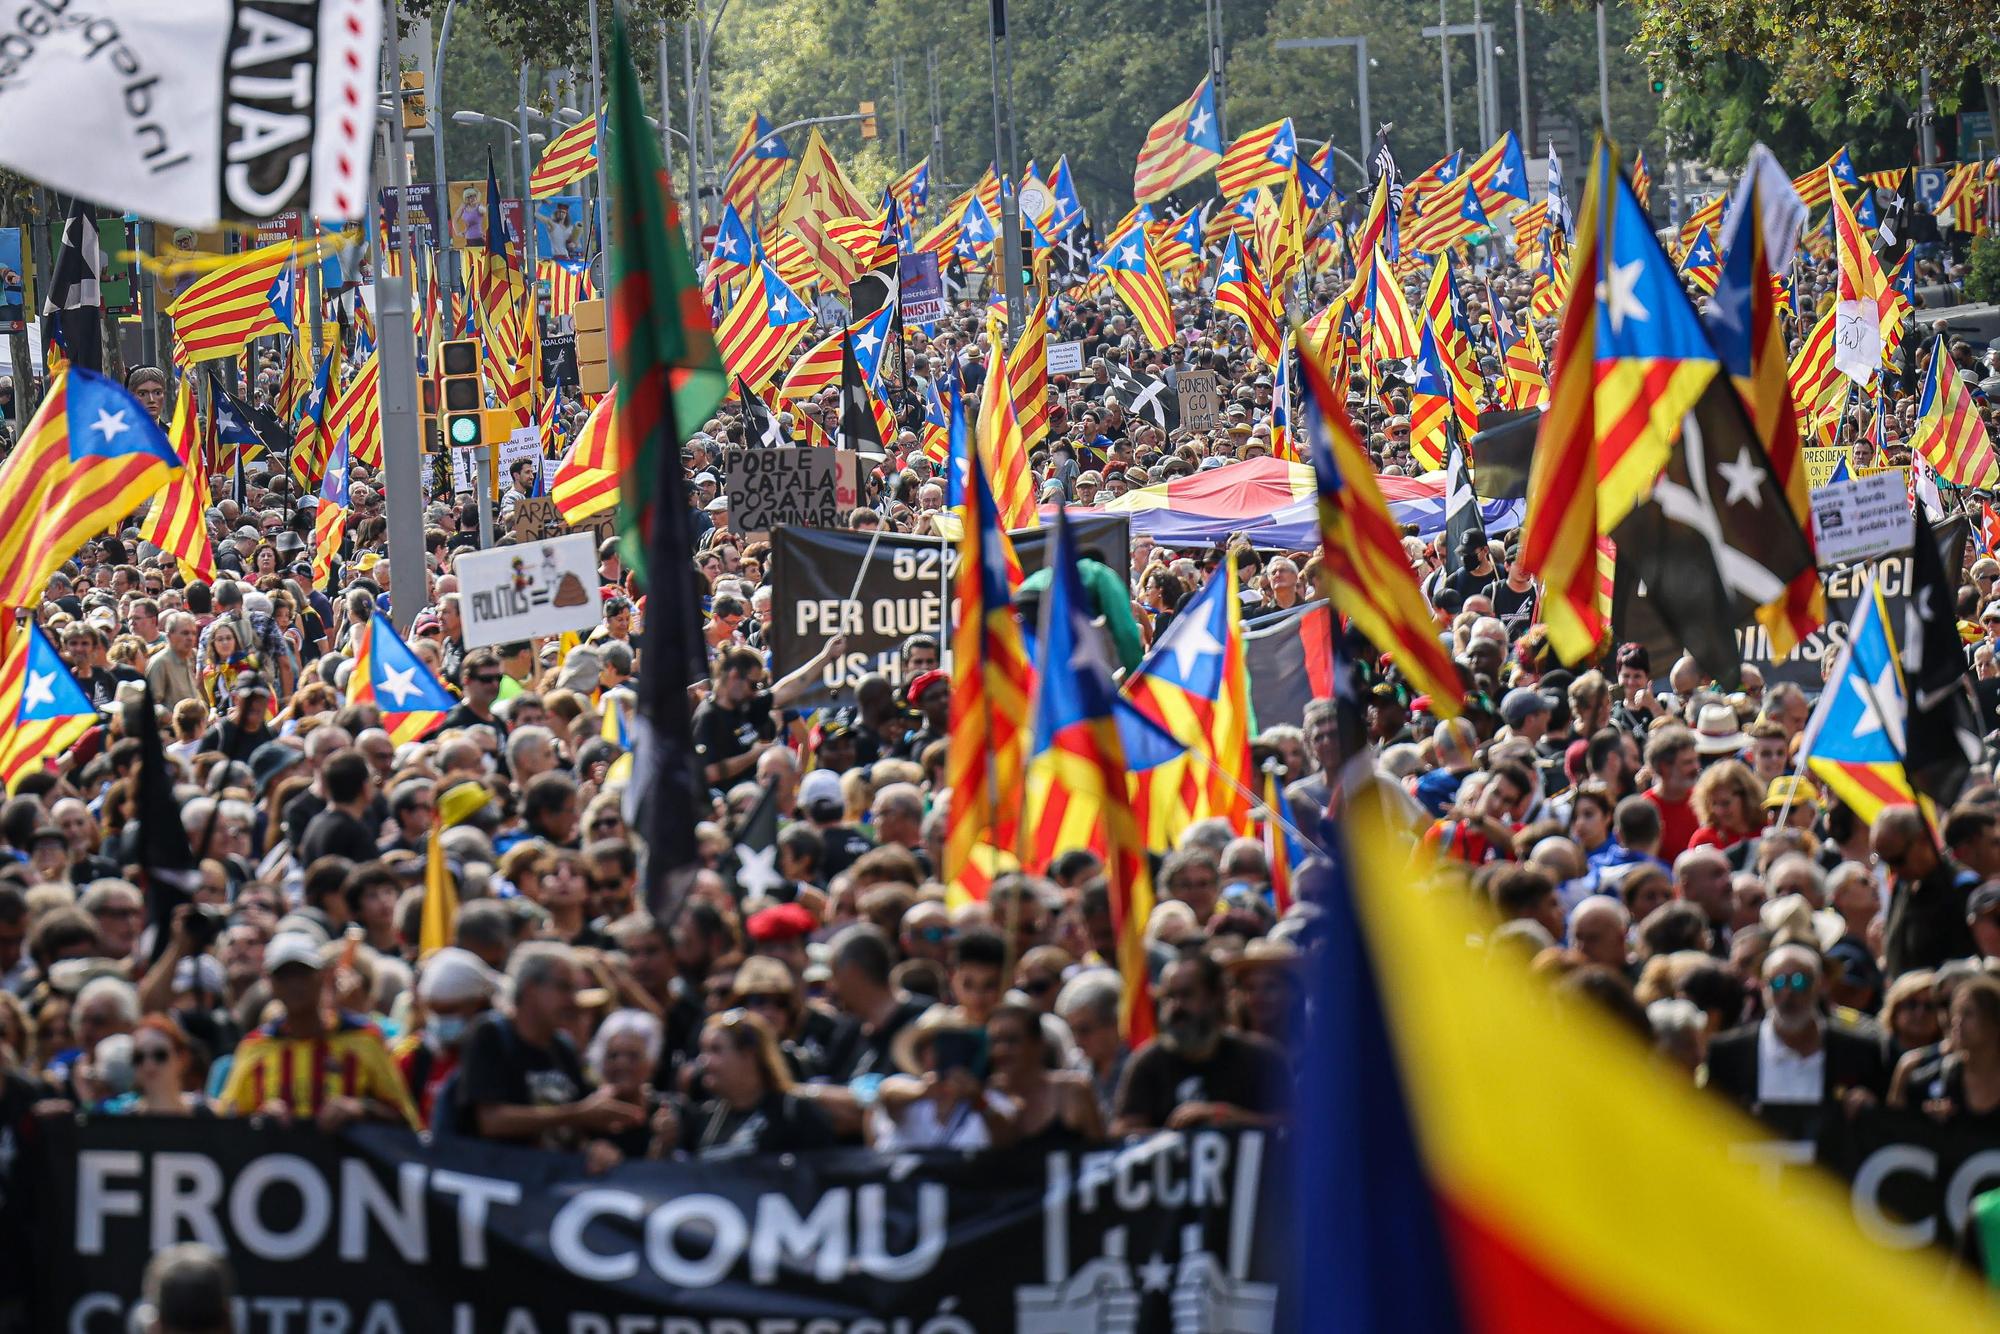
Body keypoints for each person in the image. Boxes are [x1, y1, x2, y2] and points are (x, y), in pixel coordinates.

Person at [450, 942, 641, 1153]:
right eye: (564, 987)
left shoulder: (562, 1047)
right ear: (531, 988)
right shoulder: (490, 1034)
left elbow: (578, 1122)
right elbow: (492, 1121)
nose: (572, 1000)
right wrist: (578, 1114)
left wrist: (594, 1148)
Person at [217, 933, 417, 1128]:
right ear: (269, 982)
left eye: (302, 973)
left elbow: (405, 1118)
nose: (294, 984)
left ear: (322, 976)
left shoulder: (363, 1038)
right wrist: (259, 1117)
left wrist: (360, 1108)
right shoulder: (255, 1046)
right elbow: (224, 1125)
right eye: (284, 975)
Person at [1703, 943, 1888, 1139]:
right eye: (1778, 982)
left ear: (1820, 984)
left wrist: (1870, 1109)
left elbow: (1885, 1125)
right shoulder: (1727, 1054)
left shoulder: (1860, 1052)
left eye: (1800, 982)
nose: (1789, 992)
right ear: (1763, 986)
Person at [1112, 954, 1289, 1133]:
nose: (1176, 1007)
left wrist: (1227, 1117)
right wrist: (1177, 1139)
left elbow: (1293, 1127)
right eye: (1169, 997)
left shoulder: (1261, 1058)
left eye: (1186, 995)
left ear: (1216, 996)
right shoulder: (1147, 1063)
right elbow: (1123, 1132)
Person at [655, 1009, 838, 1159]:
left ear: (749, 1054)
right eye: (703, 1050)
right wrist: (664, 1143)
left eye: (715, 1050)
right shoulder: (704, 1120)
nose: (703, 1061)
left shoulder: (795, 1113)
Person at [986, 1001, 1103, 1148]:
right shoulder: (988, 1098)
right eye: (994, 1042)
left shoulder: (1073, 1091)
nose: (1001, 1050)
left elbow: (1101, 1154)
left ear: (1038, 1044)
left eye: (1012, 1041)